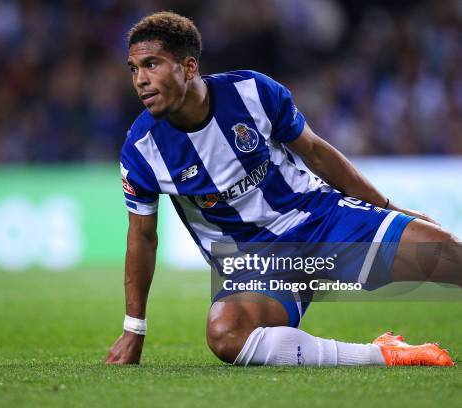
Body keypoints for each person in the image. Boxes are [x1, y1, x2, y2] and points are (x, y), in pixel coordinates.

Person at [106, 11, 459, 367]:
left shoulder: (252, 92)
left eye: (152, 65)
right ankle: (384, 354)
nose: (140, 80)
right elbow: (143, 237)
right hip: (256, 262)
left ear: (189, 66)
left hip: (322, 219)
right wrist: (134, 328)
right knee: (226, 333)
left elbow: (317, 154)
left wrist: (388, 207)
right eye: (134, 69)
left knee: (449, 256)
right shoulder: (142, 149)